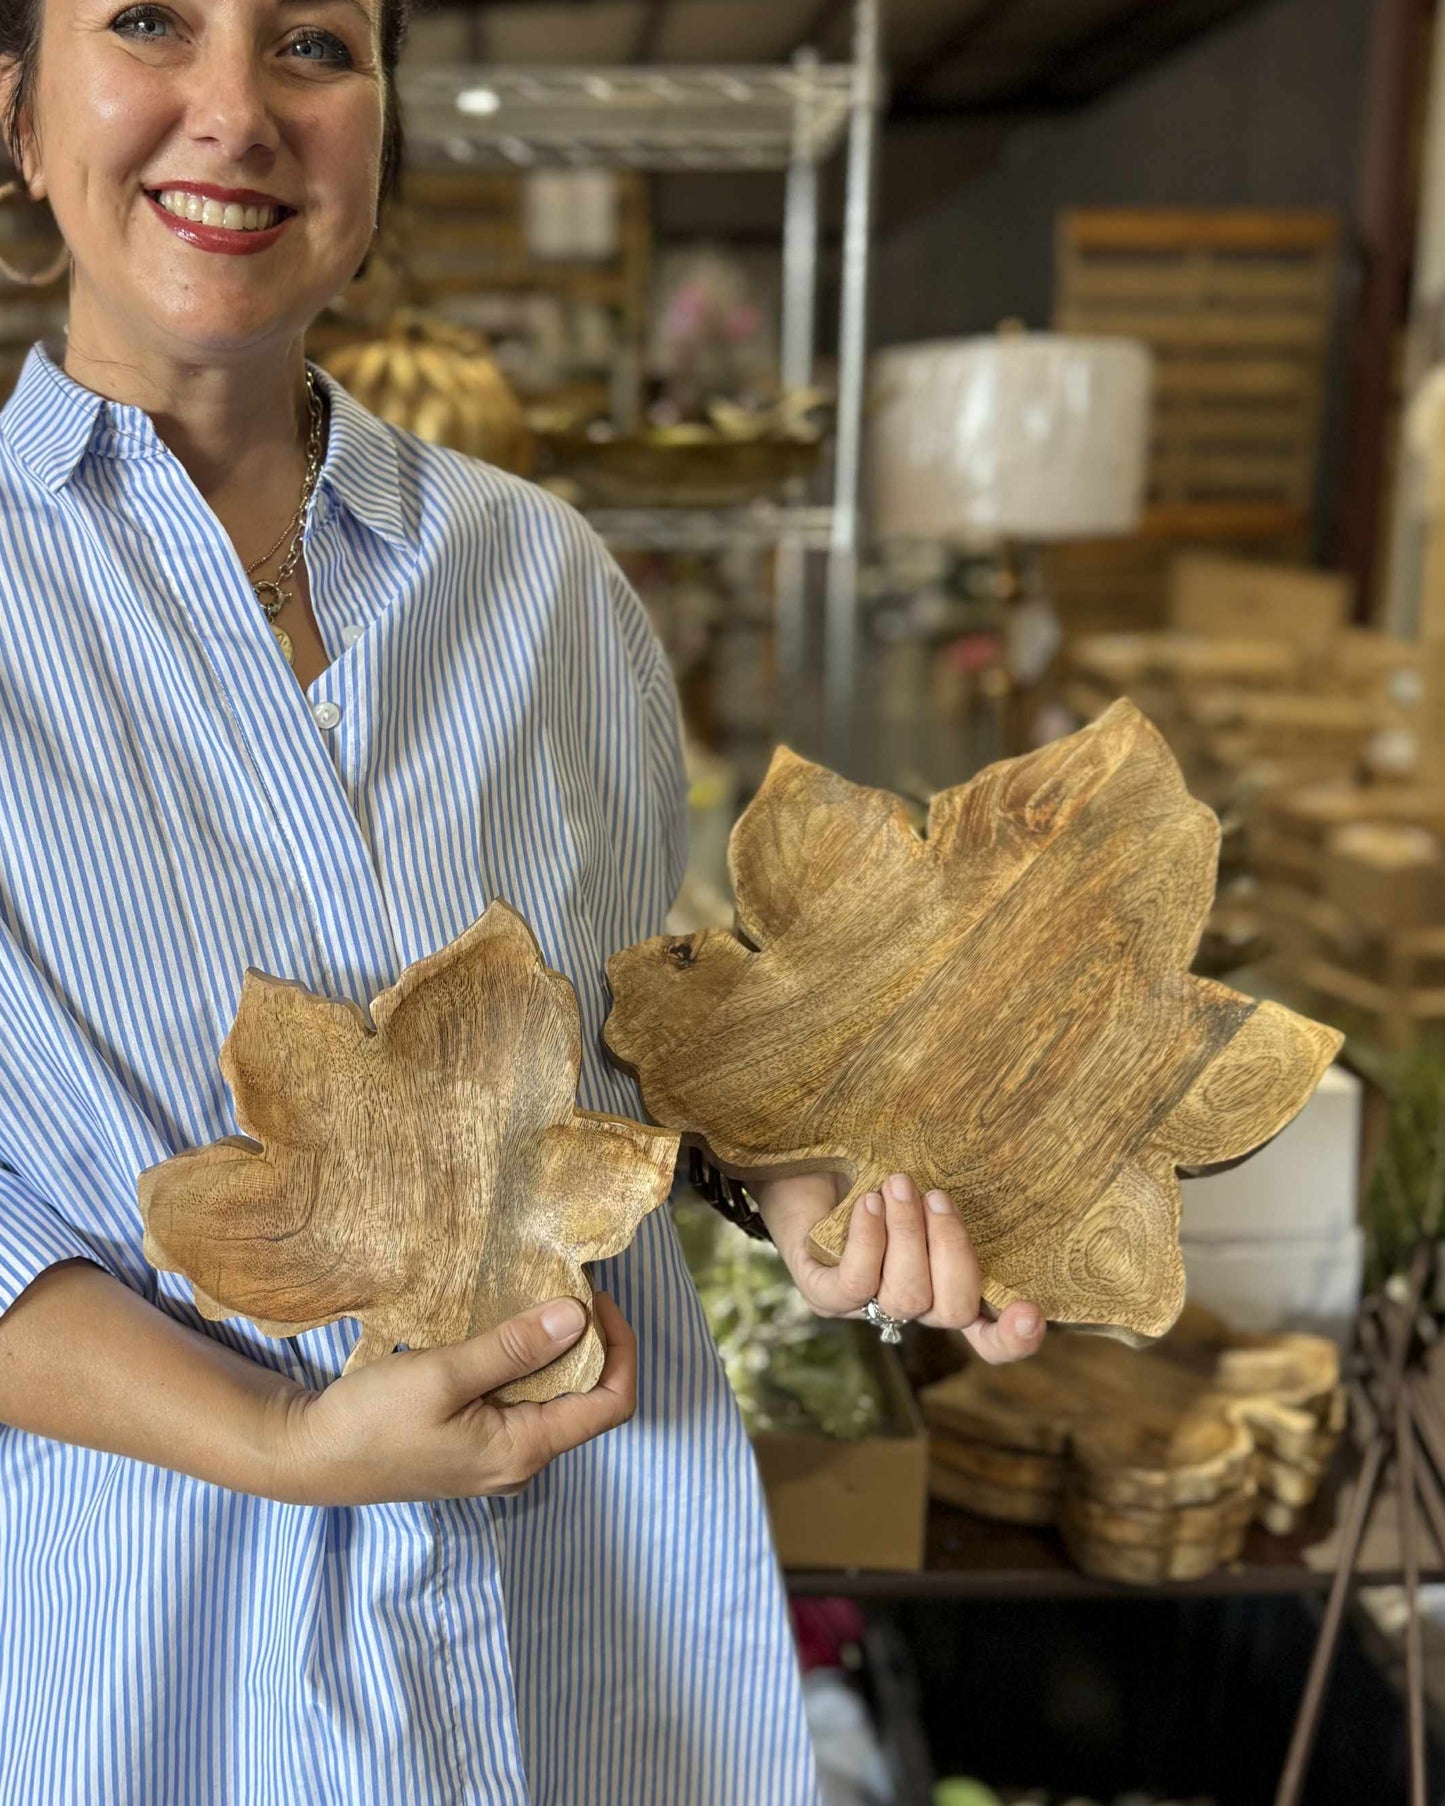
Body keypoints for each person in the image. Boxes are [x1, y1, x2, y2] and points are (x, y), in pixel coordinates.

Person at [0, 0, 1046, 1798]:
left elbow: (641, 1023)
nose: (236, 112)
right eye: (153, 22)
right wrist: (282, 1436)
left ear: (381, 124)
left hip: (582, 1614)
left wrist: (794, 1174)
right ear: (20, 115)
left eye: (316, 45)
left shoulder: (539, 576)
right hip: (152, 1644)